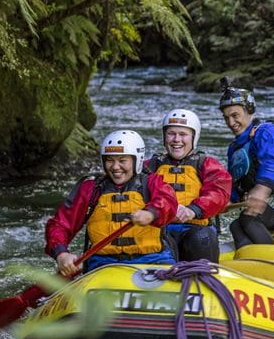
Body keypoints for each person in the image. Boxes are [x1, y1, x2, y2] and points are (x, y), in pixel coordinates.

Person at [45, 129, 178, 276]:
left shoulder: (153, 183)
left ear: (137, 160)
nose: (115, 167)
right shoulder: (91, 189)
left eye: (122, 161)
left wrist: (151, 213)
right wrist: (61, 254)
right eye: (109, 160)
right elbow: (60, 224)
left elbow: (169, 202)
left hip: (153, 260)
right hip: (103, 263)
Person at [219, 81, 274, 248]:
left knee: (248, 218)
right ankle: (249, 260)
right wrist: (227, 200)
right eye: (226, 118)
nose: (231, 123)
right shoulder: (234, 148)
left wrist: (261, 190)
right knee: (235, 225)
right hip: (267, 202)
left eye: (235, 115)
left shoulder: (267, 131)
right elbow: (236, 182)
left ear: (249, 111)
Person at [145, 108, 232, 262]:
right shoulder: (150, 166)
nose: (176, 139)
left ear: (194, 137)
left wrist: (194, 209)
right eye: (171, 133)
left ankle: (203, 275)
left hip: (195, 229)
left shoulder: (207, 164)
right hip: (161, 231)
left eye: (183, 134)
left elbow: (219, 192)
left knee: (202, 238)